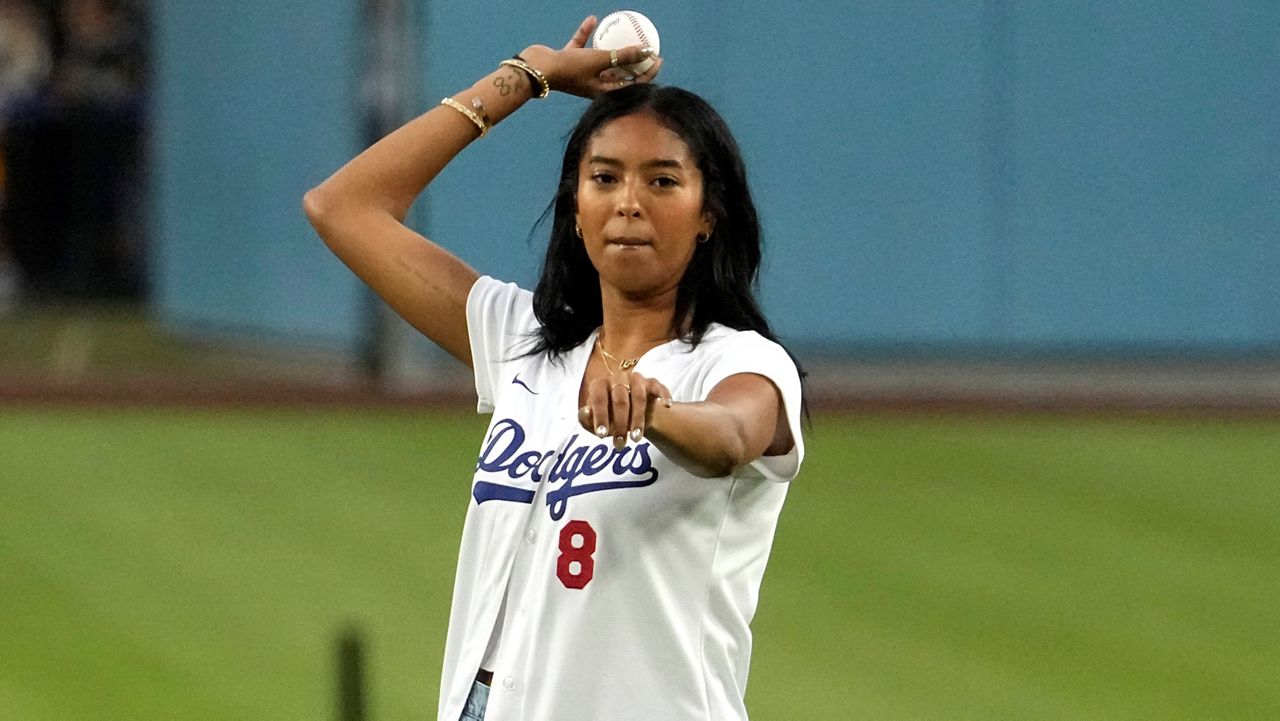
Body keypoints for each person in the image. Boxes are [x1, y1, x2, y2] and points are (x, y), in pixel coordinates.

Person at [304, 16, 805, 721]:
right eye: (605, 178)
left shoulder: (741, 360)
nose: (629, 201)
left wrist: (655, 409)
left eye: (662, 180)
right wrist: (528, 75)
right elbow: (341, 207)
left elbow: (729, 436)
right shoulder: (525, 342)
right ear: (576, 207)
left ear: (708, 214)